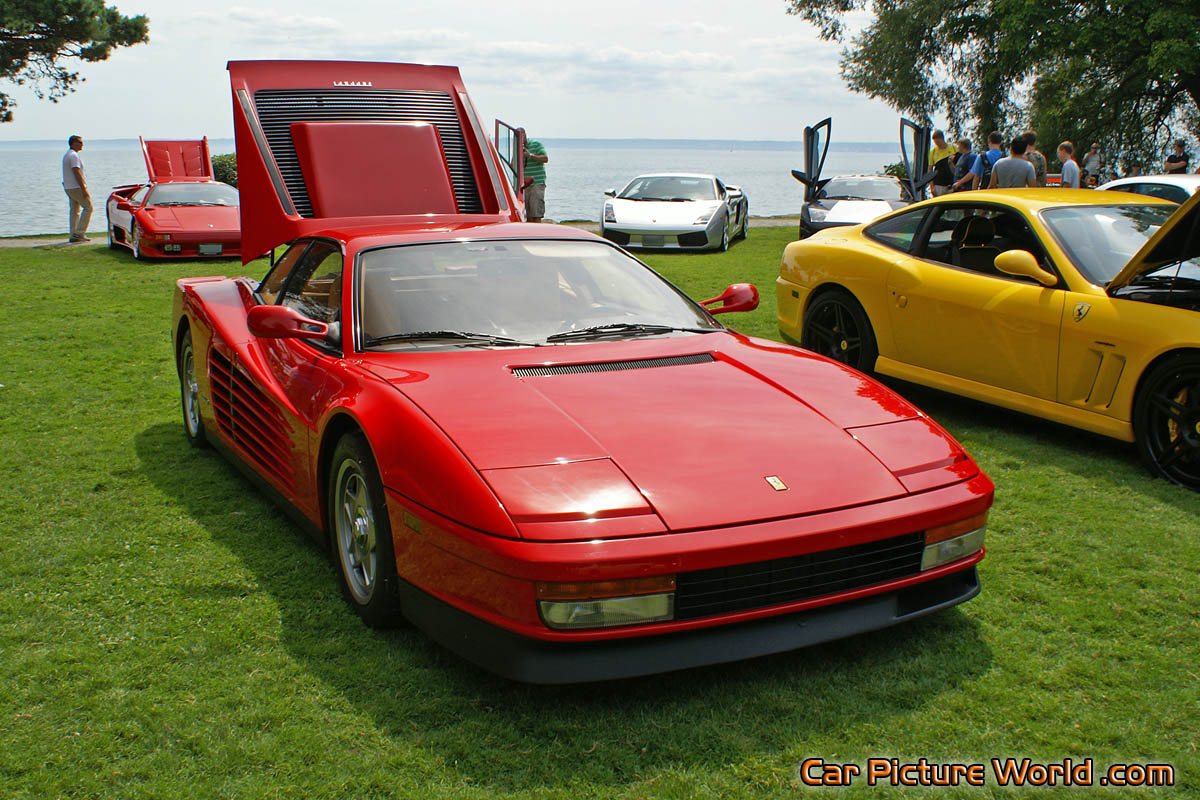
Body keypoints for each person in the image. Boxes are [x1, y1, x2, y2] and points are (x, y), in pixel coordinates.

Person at [62, 134, 92, 243]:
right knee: (88, 208)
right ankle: (79, 233)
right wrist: (83, 188)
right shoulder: (73, 155)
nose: (82, 144)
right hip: (76, 187)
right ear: (73, 143)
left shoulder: (68, 155)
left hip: (69, 187)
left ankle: (73, 234)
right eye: (80, 142)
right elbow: (76, 171)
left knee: (75, 210)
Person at [520, 130, 548, 223]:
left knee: (536, 214)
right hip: (524, 185)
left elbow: (545, 158)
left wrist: (530, 155)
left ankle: (538, 235)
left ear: (525, 135)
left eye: (521, 135)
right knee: (527, 215)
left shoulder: (536, 144)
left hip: (536, 183)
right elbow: (513, 165)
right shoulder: (518, 148)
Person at [928, 130, 956, 196]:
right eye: (935, 143)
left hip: (952, 182)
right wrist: (932, 187)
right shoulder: (933, 151)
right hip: (938, 184)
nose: (937, 144)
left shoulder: (953, 149)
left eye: (938, 142)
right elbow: (930, 170)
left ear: (942, 138)